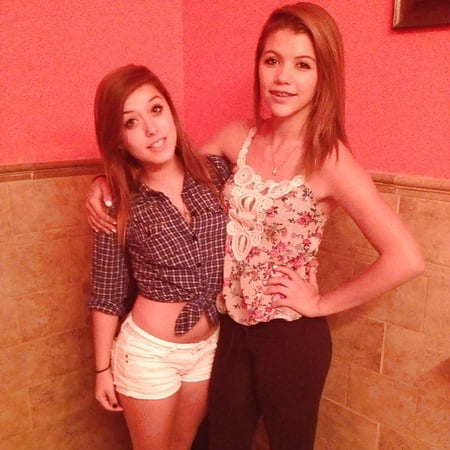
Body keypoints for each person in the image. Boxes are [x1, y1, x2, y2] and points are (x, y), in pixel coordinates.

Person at [86, 4, 424, 449]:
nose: (283, 77)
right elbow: (167, 172)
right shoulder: (236, 139)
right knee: (219, 442)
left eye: (302, 65)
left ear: (324, 75)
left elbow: (406, 258)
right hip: (228, 330)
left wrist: (321, 303)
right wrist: (104, 181)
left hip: (290, 335)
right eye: (272, 60)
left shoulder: (331, 160)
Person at [88, 64, 230, 450]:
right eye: (131, 122)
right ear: (118, 139)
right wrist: (102, 370)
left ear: (170, 110)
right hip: (149, 353)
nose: (151, 129)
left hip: (208, 347)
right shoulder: (117, 202)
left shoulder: (216, 173)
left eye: (155, 109)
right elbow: (106, 294)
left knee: (183, 445)